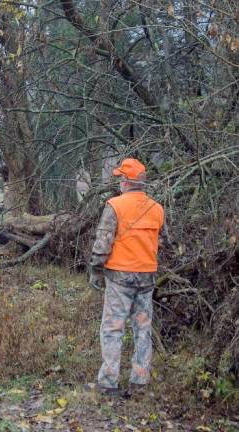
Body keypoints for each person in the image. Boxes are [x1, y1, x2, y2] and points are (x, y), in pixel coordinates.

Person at [89, 158, 165, 396]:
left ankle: (108, 382)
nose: (119, 182)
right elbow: (162, 241)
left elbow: (102, 244)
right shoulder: (157, 208)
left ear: (125, 181)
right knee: (143, 329)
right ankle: (139, 381)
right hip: (147, 278)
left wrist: (95, 270)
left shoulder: (115, 205)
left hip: (120, 278)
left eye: (120, 178)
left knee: (113, 328)